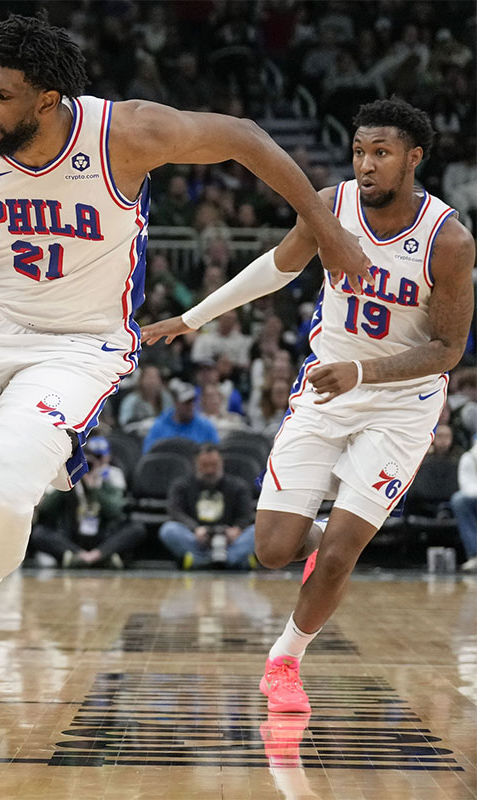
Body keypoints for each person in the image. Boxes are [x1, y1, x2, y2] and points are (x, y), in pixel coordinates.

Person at [0, 13, 370, 751]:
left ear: (48, 98)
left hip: (78, 344)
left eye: (1, 95)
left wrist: (325, 222)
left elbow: (246, 136)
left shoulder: (125, 135)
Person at [142, 98, 474, 713]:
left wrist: (364, 371)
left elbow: (449, 349)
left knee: (346, 548)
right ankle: (318, 540)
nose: (367, 164)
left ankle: (285, 660)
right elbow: (278, 267)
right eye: (360, 151)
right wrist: (192, 318)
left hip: (401, 405)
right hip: (326, 390)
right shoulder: (331, 203)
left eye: (382, 152)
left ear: (414, 158)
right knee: (272, 548)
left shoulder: (448, 239)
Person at [30, 435, 145, 568]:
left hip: (102, 534)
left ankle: (96, 555)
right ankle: (86, 556)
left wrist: (96, 489)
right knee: (39, 532)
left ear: (107, 458)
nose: (94, 463)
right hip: (73, 534)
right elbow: (46, 508)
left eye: (99, 458)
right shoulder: (69, 474)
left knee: (136, 528)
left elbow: (115, 511)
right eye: (89, 458)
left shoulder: (113, 475)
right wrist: (70, 482)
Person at [159, 443, 257, 570]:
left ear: (221, 463)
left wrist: (237, 529)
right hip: (196, 538)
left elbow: (246, 515)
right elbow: (175, 511)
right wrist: (194, 529)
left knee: (256, 531)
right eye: (205, 466)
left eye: (214, 465)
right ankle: (229, 561)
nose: (210, 470)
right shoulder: (181, 485)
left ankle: (206, 561)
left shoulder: (238, 486)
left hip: (230, 540)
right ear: (195, 464)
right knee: (169, 529)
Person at [142, 381, 219, 452]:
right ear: (175, 403)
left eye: (192, 401)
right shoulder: (160, 426)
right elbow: (148, 453)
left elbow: (216, 454)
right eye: (186, 403)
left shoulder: (206, 426)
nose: (190, 406)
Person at [451, 434, 477, 572]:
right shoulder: (469, 458)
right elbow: (466, 486)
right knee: (458, 500)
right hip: (473, 500)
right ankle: (475, 555)